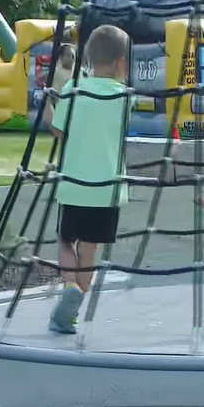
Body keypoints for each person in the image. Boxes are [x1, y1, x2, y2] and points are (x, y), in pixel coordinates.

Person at [47, 25, 131, 334]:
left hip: (74, 185)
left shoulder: (73, 87)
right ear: (121, 63)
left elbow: (60, 130)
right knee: (89, 251)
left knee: (65, 240)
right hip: (106, 190)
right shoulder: (125, 96)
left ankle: (69, 285)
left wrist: (48, 105)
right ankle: (73, 308)